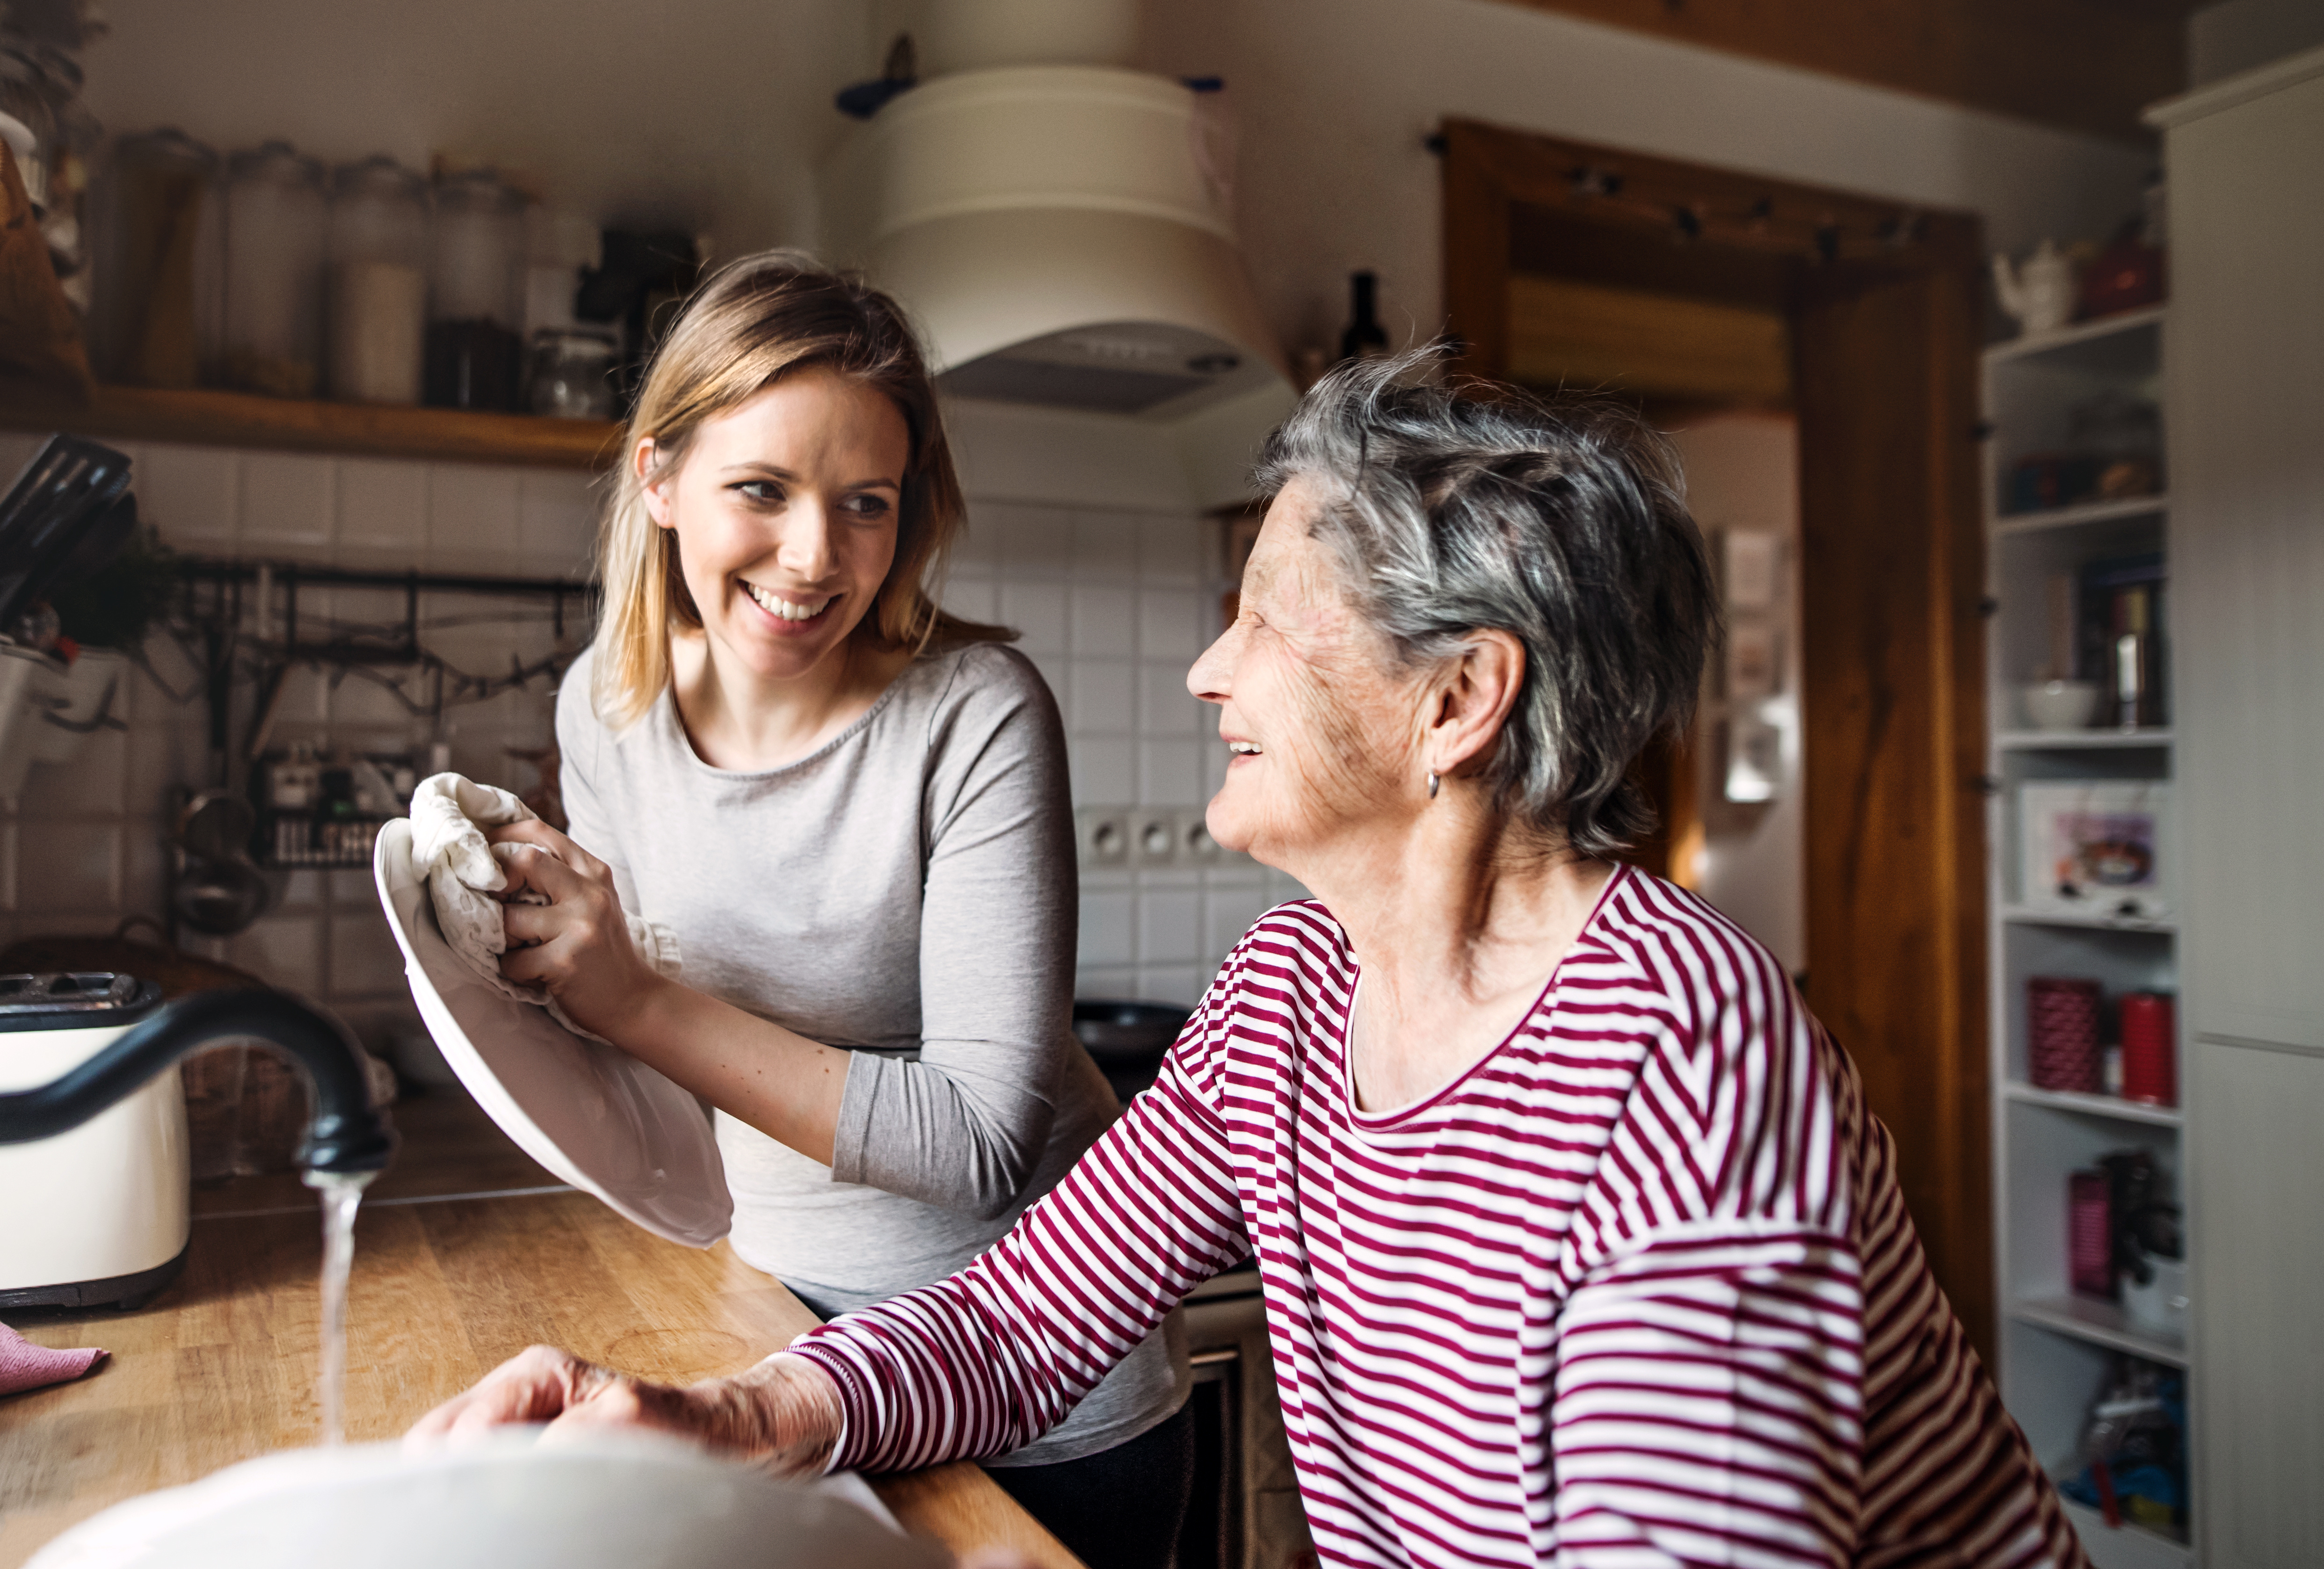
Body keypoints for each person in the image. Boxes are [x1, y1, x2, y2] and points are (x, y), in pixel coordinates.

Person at [417, 349, 2089, 1569]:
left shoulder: (1686, 1054)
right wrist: (728, 1415)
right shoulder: (1295, 988)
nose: (1210, 669)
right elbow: (1021, 1313)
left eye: (1268, 622)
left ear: (1458, 701)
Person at [469, 253, 1192, 1569]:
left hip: (1041, 1401)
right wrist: (515, 957)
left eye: (867, 503)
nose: (817, 557)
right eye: (763, 489)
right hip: (779, 1346)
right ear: (659, 477)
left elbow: (980, 1140)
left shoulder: (978, 715)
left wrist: (628, 990)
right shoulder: (605, 712)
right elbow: (657, 1074)